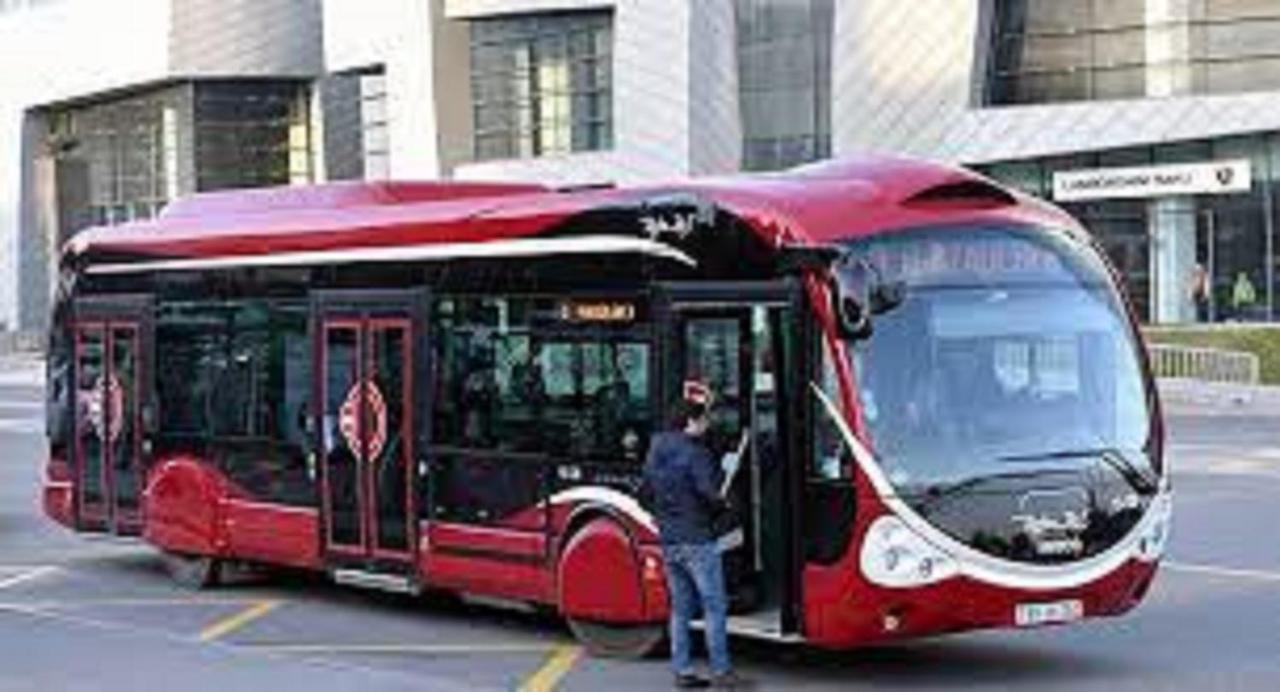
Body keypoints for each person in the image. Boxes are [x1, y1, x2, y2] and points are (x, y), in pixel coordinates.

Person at [641, 382, 744, 689]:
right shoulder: (695, 453)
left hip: (669, 539)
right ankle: (722, 672)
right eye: (702, 420)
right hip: (697, 539)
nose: (706, 425)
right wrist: (724, 502)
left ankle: (682, 670)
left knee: (680, 609)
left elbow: (645, 492)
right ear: (690, 423)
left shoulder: (656, 448)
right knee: (714, 606)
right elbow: (708, 494)